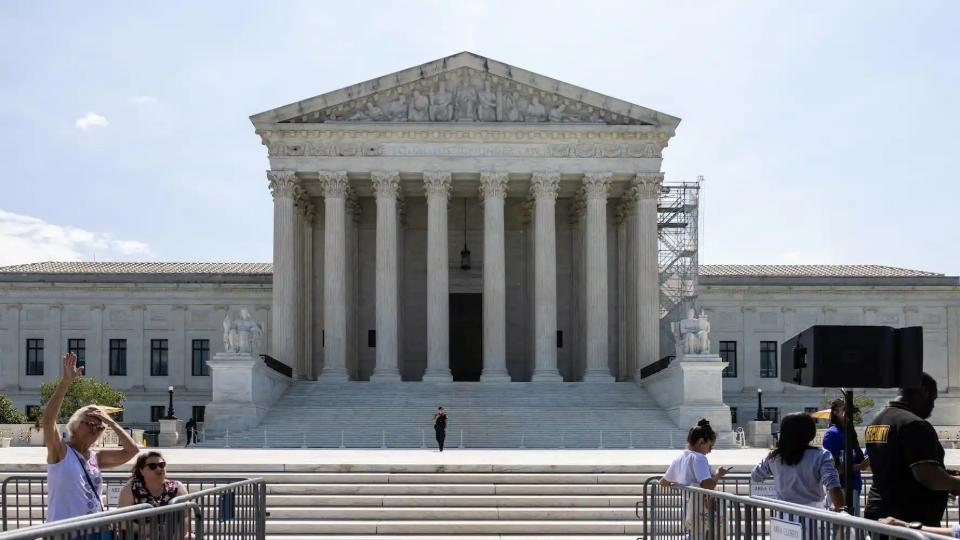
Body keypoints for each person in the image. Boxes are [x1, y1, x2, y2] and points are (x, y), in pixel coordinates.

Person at [43, 352, 141, 522]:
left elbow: (132, 450)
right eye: (89, 423)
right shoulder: (61, 451)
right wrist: (65, 383)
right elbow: (48, 420)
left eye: (99, 426)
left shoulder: (96, 457)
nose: (95, 429)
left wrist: (110, 422)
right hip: (64, 531)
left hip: (94, 528)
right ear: (75, 424)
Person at [865, 372, 960, 527]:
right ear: (924, 391)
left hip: (879, 511)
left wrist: (943, 473)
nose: (933, 406)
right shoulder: (914, 424)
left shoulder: (877, 421)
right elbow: (928, 476)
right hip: (908, 518)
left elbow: (898, 466)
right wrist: (956, 484)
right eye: (933, 399)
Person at [750, 412, 845, 512]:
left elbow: (755, 476)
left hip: (784, 516)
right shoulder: (821, 455)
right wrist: (839, 511)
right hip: (813, 514)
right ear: (811, 433)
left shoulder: (774, 456)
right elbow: (833, 485)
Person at [660, 420, 731, 538]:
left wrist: (682, 484)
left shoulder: (679, 458)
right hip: (700, 508)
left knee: (692, 534)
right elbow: (708, 485)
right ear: (702, 441)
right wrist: (718, 474)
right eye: (710, 446)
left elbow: (663, 482)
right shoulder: (699, 458)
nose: (710, 451)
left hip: (687, 506)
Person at [118, 451, 190, 539]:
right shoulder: (131, 488)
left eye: (161, 465)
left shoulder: (177, 488)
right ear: (142, 471)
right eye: (152, 466)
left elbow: (185, 520)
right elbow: (123, 522)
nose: (158, 469)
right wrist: (150, 530)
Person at [822, 399, 869, 515]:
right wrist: (859, 466)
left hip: (854, 487)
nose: (851, 415)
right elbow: (831, 468)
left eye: (852, 412)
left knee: (853, 530)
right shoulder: (833, 434)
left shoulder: (849, 433)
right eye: (846, 411)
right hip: (839, 490)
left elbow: (860, 462)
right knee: (841, 531)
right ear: (836, 412)